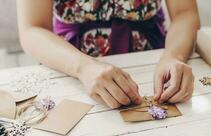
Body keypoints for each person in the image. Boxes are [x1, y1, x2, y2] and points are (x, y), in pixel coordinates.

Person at [17, 0, 200, 108]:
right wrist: (84, 67)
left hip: (152, 64)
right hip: (69, 64)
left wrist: (174, 56)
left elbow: (185, 13)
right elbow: (32, 29)